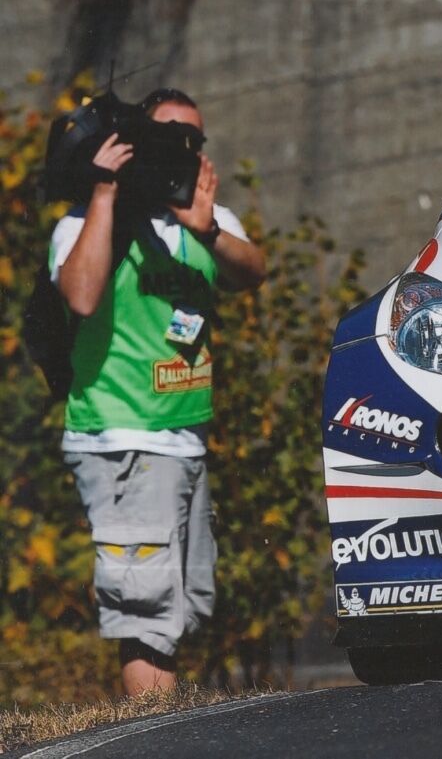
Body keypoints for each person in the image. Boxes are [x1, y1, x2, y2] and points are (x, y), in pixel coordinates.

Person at [50, 88, 266, 696]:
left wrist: (208, 233)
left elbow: (252, 270)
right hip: (122, 438)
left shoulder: (204, 218)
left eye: (194, 140)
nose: (184, 149)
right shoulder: (86, 222)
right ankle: (151, 741)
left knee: (183, 605)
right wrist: (105, 191)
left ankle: (156, 733)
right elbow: (82, 296)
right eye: (168, 136)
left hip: (183, 440)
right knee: (147, 614)